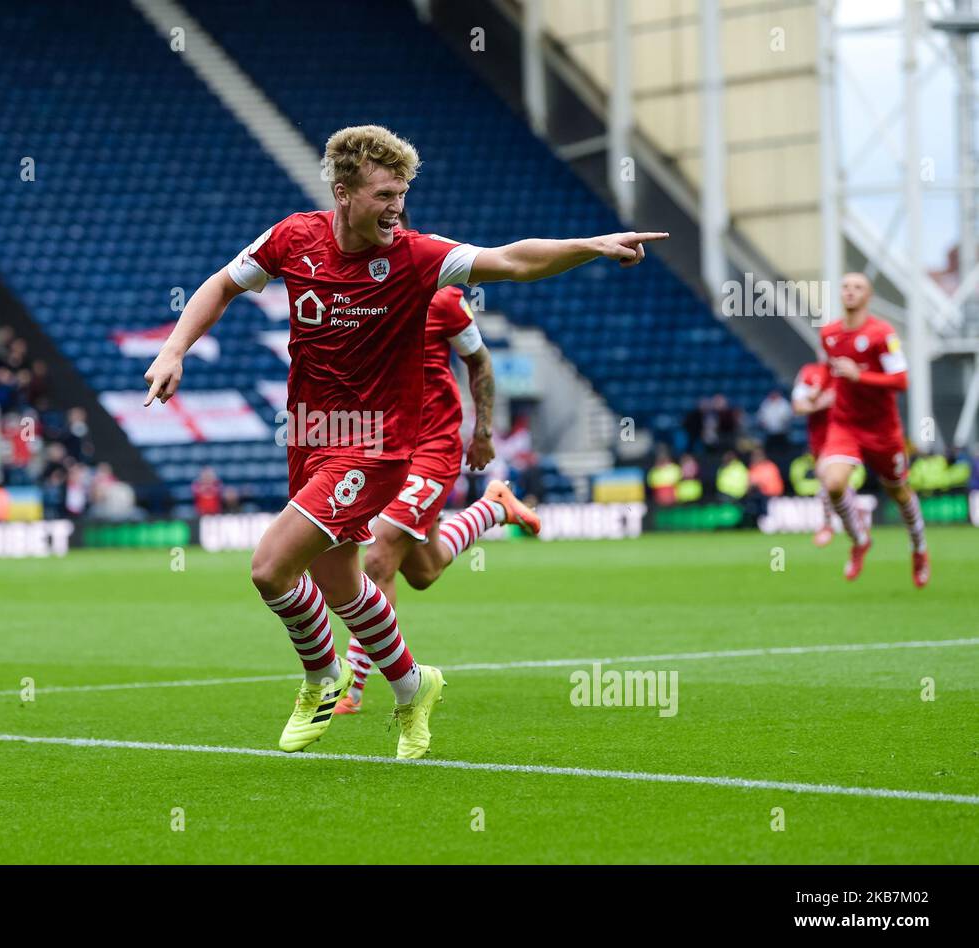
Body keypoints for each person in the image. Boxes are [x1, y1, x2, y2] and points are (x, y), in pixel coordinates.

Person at [142, 124, 667, 758]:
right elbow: (223, 284)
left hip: (376, 445)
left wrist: (593, 245)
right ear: (343, 194)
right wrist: (175, 349)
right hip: (309, 436)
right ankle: (415, 686)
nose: (398, 207)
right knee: (344, 587)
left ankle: (320, 680)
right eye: (385, 194)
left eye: (402, 194)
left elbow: (513, 260)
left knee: (270, 568)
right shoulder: (292, 238)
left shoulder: (419, 256)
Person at [336, 209, 540, 714]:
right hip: (382, 445)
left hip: (433, 445)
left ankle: (353, 684)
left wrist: (484, 431)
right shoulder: (358, 291)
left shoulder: (443, 295)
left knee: (380, 554)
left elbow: (479, 361)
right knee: (421, 570)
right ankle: (494, 507)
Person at [818, 272, 928, 587]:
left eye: (858, 287)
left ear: (868, 296)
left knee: (898, 491)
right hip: (845, 424)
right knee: (834, 483)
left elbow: (901, 381)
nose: (850, 292)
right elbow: (831, 370)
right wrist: (821, 390)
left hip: (882, 429)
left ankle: (919, 548)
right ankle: (859, 539)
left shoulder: (882, 334)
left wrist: (859, 376)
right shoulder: (829, 333)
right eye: (846, 287)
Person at [791, 358, 837, 546]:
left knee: (826, 473)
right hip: (818, 438)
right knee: (828, 481)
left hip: (843, 434)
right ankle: (847, 521)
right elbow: (798, 406)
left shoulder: (847, 371)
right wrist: (821, 402)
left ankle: (827, 525)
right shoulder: (809, 372)